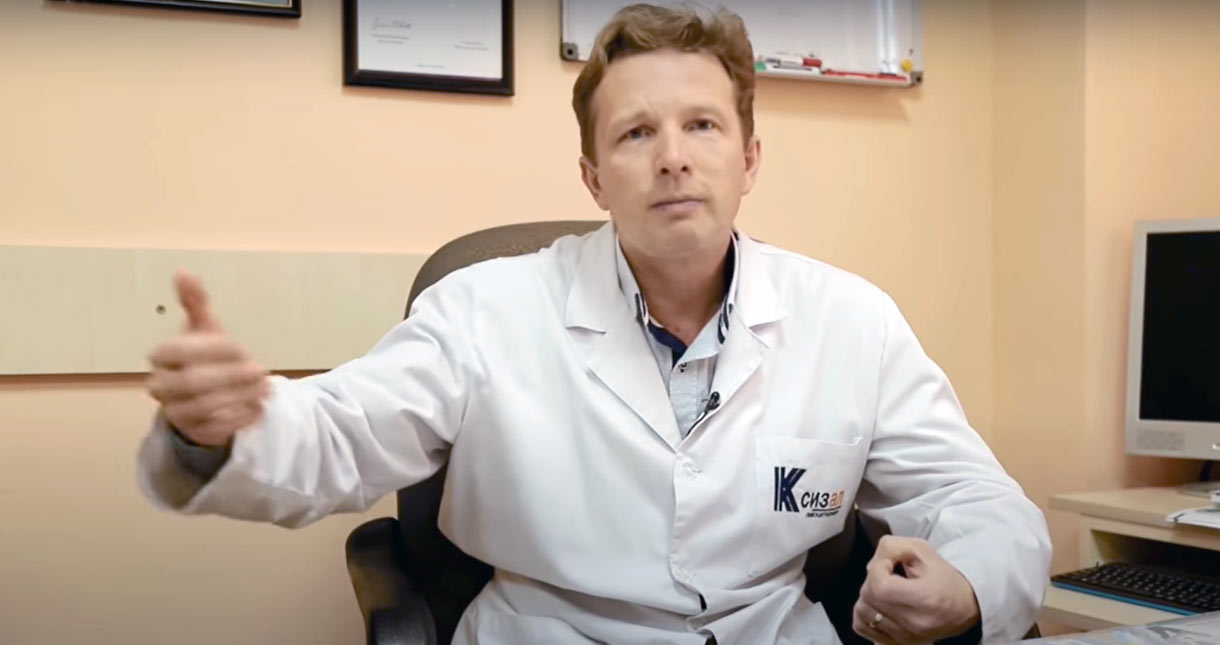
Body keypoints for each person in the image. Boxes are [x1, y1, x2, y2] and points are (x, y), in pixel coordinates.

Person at [139, 4, 1051, 644]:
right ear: (593, 178)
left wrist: (967, 585)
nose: (673, 159)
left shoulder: (851, 320)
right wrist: (223, 429)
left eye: (702, 126)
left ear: (749, 159)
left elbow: (976, 498)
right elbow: (341, 431)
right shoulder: (485, 308)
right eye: (635, 134)